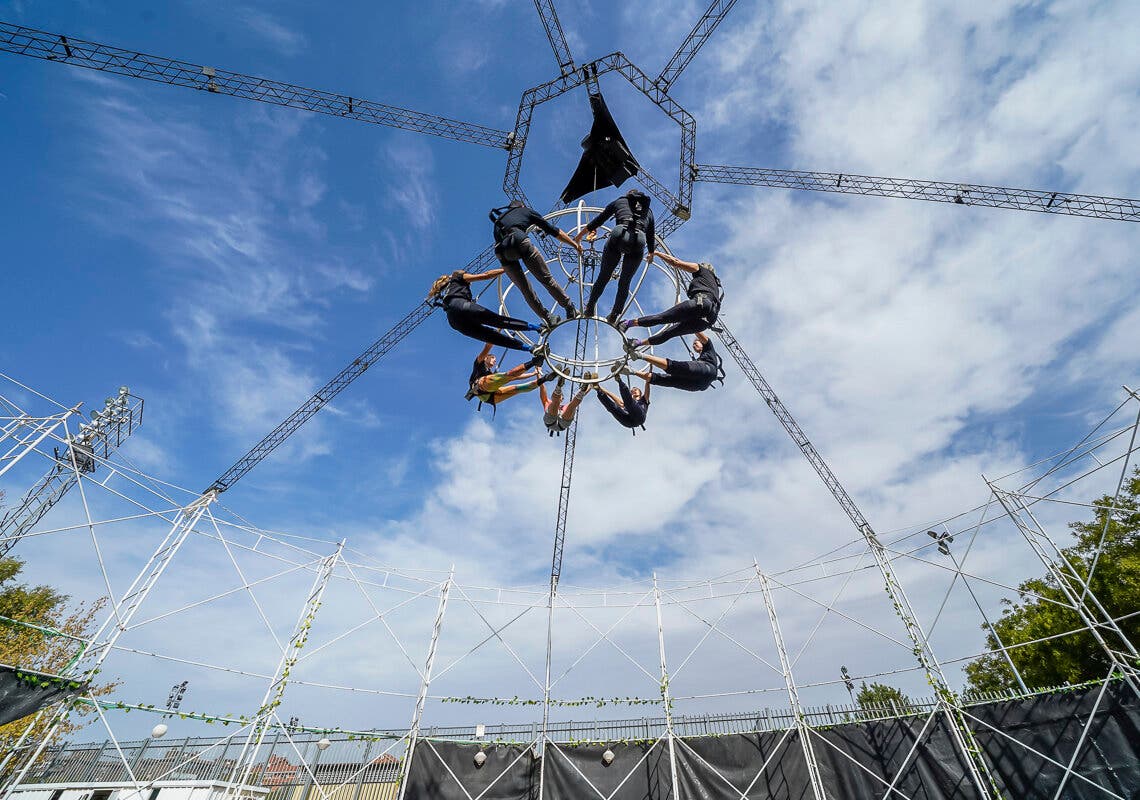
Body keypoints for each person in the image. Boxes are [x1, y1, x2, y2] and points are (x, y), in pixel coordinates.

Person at [490, 200, 583, 326]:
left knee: (525, 289)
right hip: (519, 240)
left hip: (501, 252)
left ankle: (548, 318)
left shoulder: (499, 219)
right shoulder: (526, 211)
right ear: (522, 206)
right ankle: (569, 307)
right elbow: (554, 231)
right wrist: (574, 244)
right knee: (546, 279)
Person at [572, 189, 655, 324]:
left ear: (628, 195)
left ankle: (590, 306)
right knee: (625, 281)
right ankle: (615, 314)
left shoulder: (620, 201)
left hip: (619, 234)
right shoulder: (648, 210)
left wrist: (579, 236)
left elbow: (599, 220)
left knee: (604, 275)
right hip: (639, 240)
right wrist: (651, 253)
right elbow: (650, 235)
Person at [620, 252, 722, 347]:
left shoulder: (701, 270)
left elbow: (676, 262)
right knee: (670, 333)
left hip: (701, 304)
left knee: (661, 318)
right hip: (707, 321)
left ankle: (627, 323)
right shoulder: (715, 285)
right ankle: (637, 343)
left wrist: (656, 253)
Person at [428, 268, 543, 353]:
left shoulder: (442, 293)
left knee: (491, 337)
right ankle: (538, 327)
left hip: (454, 321)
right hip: (461, 305)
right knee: (498, 321)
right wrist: (506, 269)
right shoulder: (456, 276)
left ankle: (530, 348)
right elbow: (485, 275)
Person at [466, 342, 556, 410]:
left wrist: (533, 373)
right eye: (493, 358)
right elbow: (488, 345)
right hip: (481, 387)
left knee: (517, 388)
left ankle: (544, 378)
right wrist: (497, 330)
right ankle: (535, 361)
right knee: (507, 375)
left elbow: (516, 377)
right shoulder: (479, 363)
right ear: (486, 358)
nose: (495, 361)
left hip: (491, 398)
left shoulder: (491, 374)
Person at [628, 331, 723, 392]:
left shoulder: (709, 348)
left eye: (695, 343)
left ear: (701, 343)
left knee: (676, 368)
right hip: (699, 385)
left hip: (708, 370)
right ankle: (632, 371)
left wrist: (688, 319)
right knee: (670, 380)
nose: (694, 346)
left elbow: (697, 330)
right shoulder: (699, 359)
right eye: (693, 345)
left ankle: (640, 355)